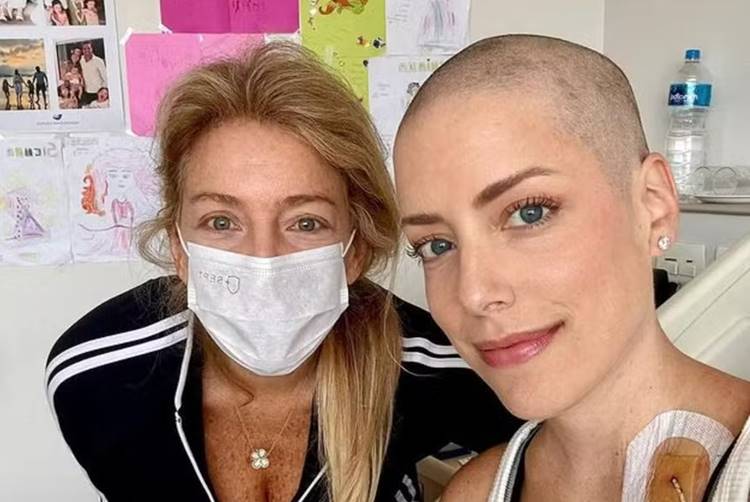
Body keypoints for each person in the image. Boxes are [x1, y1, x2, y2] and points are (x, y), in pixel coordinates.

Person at [46, 42, 520, 502]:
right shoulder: (96, 376)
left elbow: (550, 447)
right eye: (222, 222)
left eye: (305, 223)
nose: (264, 260)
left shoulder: (428, 366)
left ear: (355, 251)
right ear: (180, 248)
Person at [394, 34, 750, 501]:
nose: (474, 293)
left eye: (530, 213)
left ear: (653, 205)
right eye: (436, 245)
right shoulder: (474, 493)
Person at [79, 41, 106, 107]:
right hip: (86, 93)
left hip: (97, 93)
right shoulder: (81, 60)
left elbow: (105, 78)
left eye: (88, 48)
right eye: (84, 49)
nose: (86, 50)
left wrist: (102, 92)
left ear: (92, 49)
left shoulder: (99, 61)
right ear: (82, 50)